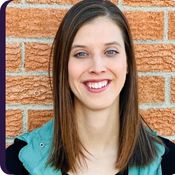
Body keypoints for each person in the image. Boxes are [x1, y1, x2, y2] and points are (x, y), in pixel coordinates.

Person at [6, 0, 175, 175]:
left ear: (128, 64)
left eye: (111, 52)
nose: (97, 67)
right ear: (64, 67)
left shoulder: (169, 163)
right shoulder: (15, 163)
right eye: (81, 53)